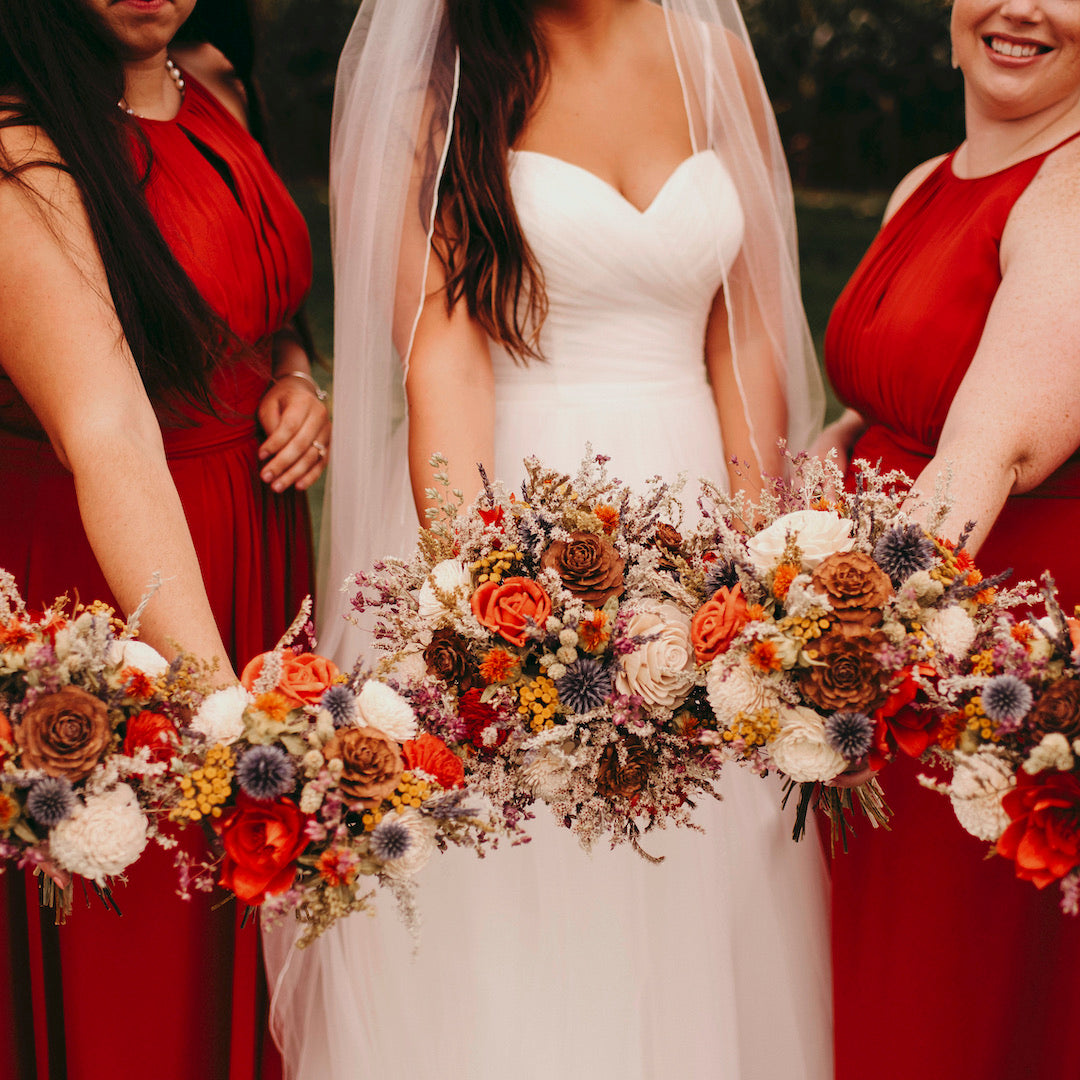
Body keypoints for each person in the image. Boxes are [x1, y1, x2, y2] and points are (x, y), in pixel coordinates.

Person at [275, 1, 830, 1077]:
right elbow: (445, 361)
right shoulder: (437, 86)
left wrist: (760, 568)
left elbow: (747, 326)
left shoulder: (711, 57)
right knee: (527, 870)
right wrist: (474, 602)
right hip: (518, 505)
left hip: (701, 518)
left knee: (696, 867)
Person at [0, 0, 327, 1075]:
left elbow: (252, 298)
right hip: (119, 574)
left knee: (258, 910)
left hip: (256, 532)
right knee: (146, 917)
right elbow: (106, 424)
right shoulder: (21, 150)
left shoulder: (213, 86)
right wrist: (220, 705)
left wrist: (291, 376)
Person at [817, 0, 1080, 1076]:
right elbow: (878, 409)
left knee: (947, 1006)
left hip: (982, 661)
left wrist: (829, 637)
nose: (1019, 9)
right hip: (877, 644)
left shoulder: (1072, 189)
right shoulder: (925, 182)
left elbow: (983, 454)